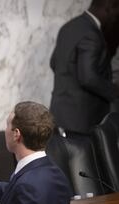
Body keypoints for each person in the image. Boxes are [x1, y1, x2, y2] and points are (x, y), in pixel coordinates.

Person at [50, 0, 119, 134]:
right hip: (81, 119)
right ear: (109, 8)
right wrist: (115, 91)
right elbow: (88, 78)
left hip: (60, 114)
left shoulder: (68, 27)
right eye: (117, 11)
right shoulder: (92, 33)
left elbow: (54, 63)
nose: (116, 17)